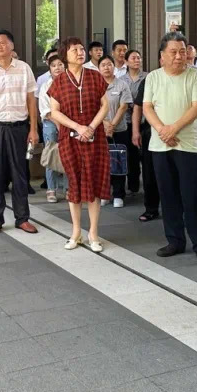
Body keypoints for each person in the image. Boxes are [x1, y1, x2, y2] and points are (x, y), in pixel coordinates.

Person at [143, 32, 197, 266]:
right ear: (162, 55)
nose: (178, 56)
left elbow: (196, 108)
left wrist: (173, 129)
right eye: (173, 52)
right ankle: (175, 240)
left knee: (192, 196)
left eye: (182, 51)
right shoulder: (153, 77)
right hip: (160, 145)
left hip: (188, 145)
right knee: (168, 195)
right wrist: (163, 130)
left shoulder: (195, 76)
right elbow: (147, 107)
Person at [48, 37, 110, 252]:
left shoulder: (95, 76)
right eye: (75, 50)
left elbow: (105, 105)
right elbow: (54, 111)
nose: (80, 52)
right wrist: (77, 127)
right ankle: (76, 231)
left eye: (82, 49)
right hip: (70, 138)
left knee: (93, 181)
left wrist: (90, 127)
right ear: (65, 55)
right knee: (74, 182)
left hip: (95, 137)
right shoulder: (59, 81)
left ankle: (93, 232)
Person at [0, 30, 40, 235]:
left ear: (11, 46)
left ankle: (22, 218)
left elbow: (31, 100)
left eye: (3, 43)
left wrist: (33, 129)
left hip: (19, 128)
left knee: (19, 174)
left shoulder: (24, 69)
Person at [99, 55, 133, 208]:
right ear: (99, 68)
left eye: (109, 64)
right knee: (103, 164)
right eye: (103, 65)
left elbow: (124, 106)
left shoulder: (122, 84)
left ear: (114, 67)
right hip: (100, 131)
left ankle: (119, 194)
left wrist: (112, 125)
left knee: (119, 162)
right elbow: (94, 107)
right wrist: (105, 124)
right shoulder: (96, 85)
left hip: (119, 130)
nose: (106, 67)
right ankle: (105, 193)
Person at [131, 69, 161, 222]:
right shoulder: (151, 79)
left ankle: (175, 208)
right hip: (150, 131)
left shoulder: (185, 77)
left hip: (176, 131)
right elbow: (138, 107)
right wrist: (135, 131)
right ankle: (151, 208)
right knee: (149, 172)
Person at [39, 54, 67, 203]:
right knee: (51, 154)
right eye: (54, 65)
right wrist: (59, 125)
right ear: (49, 69)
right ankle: (51, 188)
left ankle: (69, 188)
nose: (57, 68)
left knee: (69, 155)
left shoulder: (70, 83)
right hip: (51, 122)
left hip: (69, 122)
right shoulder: (45, 86)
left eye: (60, 64)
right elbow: (45, 110)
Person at [124, 49, 146, 194]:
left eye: (138, 57)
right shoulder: (121, 80)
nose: (137, 60)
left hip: (144, 120)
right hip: (126, 121)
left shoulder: (148, 77)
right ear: (126, 62)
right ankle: (133, 186)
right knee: (131, 156)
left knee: (145, 155)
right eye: (133, 58)